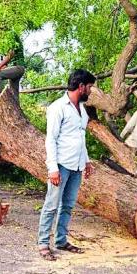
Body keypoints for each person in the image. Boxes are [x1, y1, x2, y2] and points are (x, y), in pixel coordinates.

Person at [38, 69, 95, 261]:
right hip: (61, 165)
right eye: (89, 87)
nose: (90, 91)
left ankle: (61, 240)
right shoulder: (57, 107)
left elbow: (81, 137)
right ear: (81, 87)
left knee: (68, 205)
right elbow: (50, 140)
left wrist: (86, 160)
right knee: (51, 205)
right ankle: (43, 243)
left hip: (77, 166)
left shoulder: (82, 110)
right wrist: (52, 168)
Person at [0, 33, 25, 104]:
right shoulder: (4, 43)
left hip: (18, 68)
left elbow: (11, 53)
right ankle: (16, 110)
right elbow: (5, 65)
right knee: (14, 95)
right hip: (16, 69)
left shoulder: (10, 34)